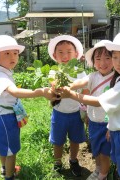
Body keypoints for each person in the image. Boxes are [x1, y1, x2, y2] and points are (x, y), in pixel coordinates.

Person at [57, 30, 120, 180]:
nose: (118, 62)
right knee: (119, 165)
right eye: (115, 56)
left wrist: (71, 94)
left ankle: (106, 174)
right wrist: (68, 86)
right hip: (118, 130)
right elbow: (83, 84)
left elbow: (99, 101)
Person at [0, 35, 56, 180]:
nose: (13, 57)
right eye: (7, 53)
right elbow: (14, 91)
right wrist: (39, 92)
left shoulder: (1, 70)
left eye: (15, 53)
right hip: (5, 118)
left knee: (3, 147)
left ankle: (4, 168)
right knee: (11, 151)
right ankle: (9, 176)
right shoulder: (0, 76)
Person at [69, 40, 114, 180]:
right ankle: (98, 169)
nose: (103, 62)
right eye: (98, 58)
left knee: (105, 153)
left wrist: (112, 126)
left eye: (108, 58)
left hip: (107, 124)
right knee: (97, 151)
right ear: (94, 61)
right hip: (94, 122)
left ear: (114, 59)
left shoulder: (117, 79)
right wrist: (68, 86)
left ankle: (103, 175)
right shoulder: (93, 76)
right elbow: (80, 83)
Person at [47, 35, 87, 177]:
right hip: (59, 114)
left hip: (76, 113)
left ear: (76, 54)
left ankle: (73, 160)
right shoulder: (53, 72)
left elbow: (85, 89)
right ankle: (57, 163)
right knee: (58, 141)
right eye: (61, 52)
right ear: (54, 55)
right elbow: (53, 88)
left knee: (75, 140)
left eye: (69, 52)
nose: (65, 56)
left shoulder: (80, 72)